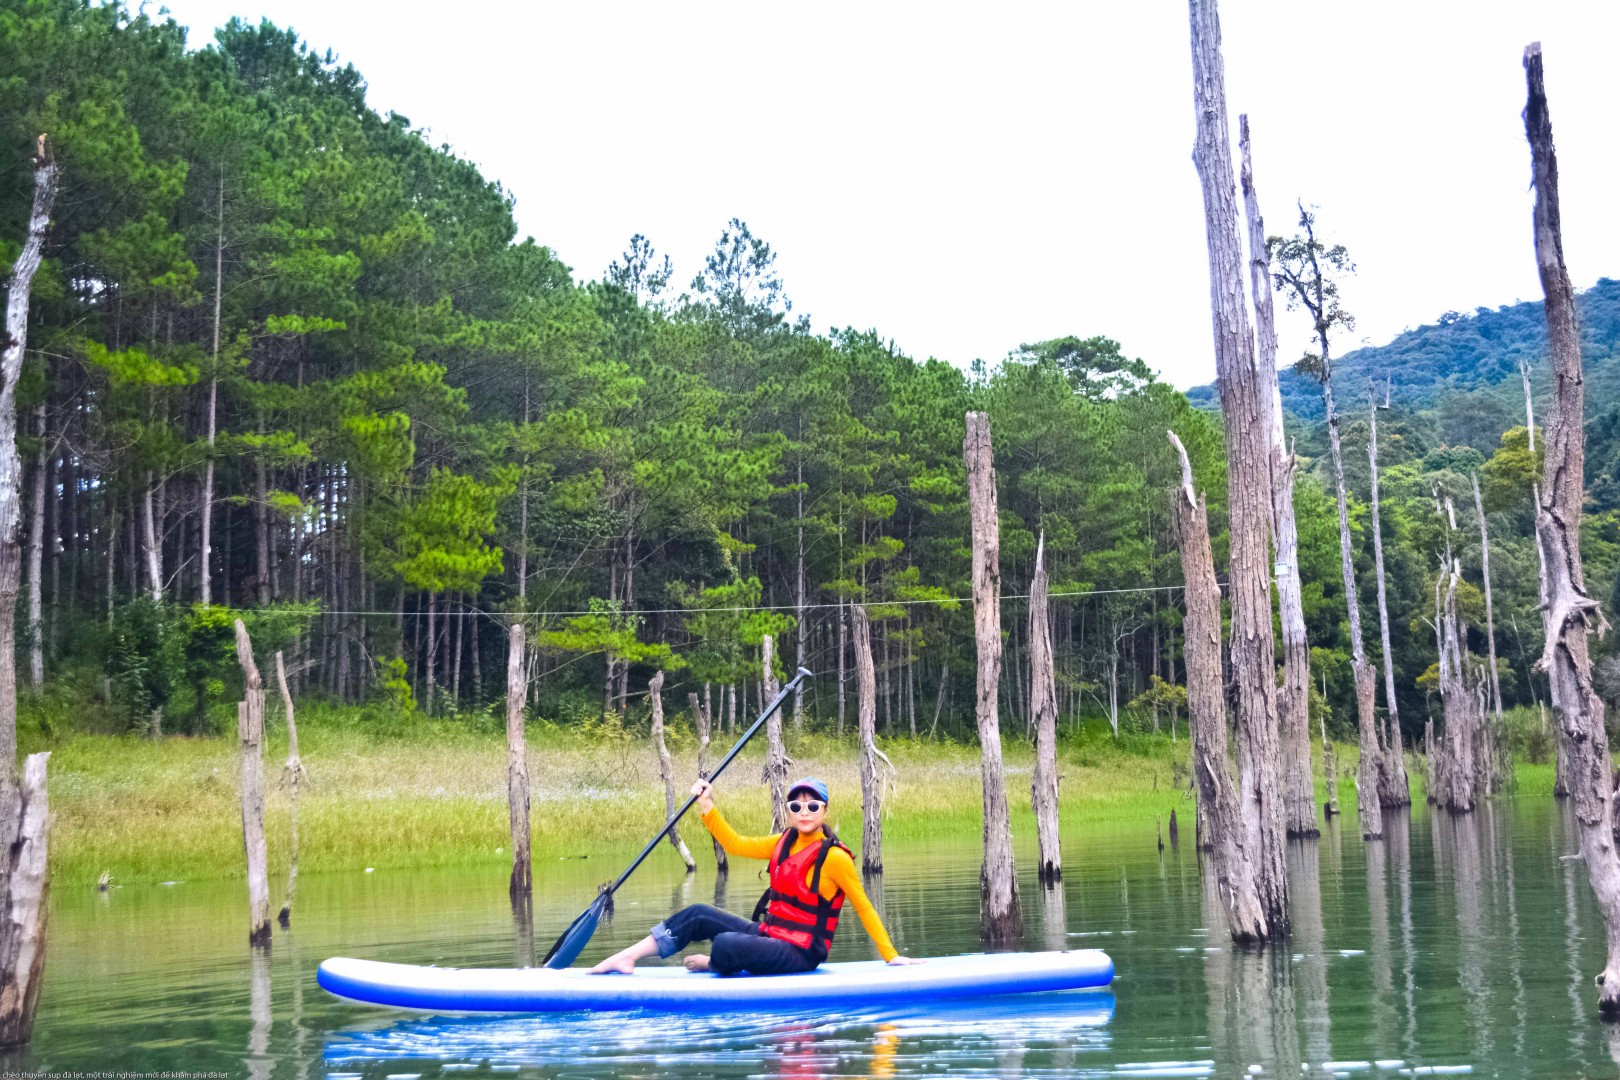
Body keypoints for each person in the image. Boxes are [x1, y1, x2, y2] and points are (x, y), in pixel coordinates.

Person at [589, 776, 921, 976]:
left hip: (802, 953)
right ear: (787, 811)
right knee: (697, 914)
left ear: (825, 811)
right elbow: (734, 844)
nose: (804, 812)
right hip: (770, 934)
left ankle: (715, 963)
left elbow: (863, 907)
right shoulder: (782, 842)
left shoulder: (834, 858)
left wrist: (891, 956)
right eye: (796, 807)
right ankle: (627, 957)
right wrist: (707, 805)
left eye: (812, 806)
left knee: (726, 943)